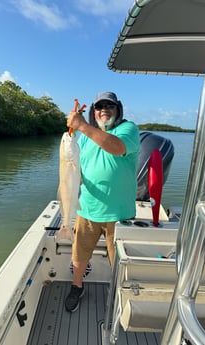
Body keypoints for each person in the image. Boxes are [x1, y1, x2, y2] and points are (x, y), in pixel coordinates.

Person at [65, 91, 140, 312]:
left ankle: (120, 293)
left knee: (119, 261)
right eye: (99, 106)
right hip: (87, 209)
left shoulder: (128, 129)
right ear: (93, 112)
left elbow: (116, 147)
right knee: (79, 255)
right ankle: (77, 287)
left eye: (110, 106)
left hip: (119, 214)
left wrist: (82, 126)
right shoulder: (85, 139)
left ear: (118, 110)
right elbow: (79, 170)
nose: (104, 109)